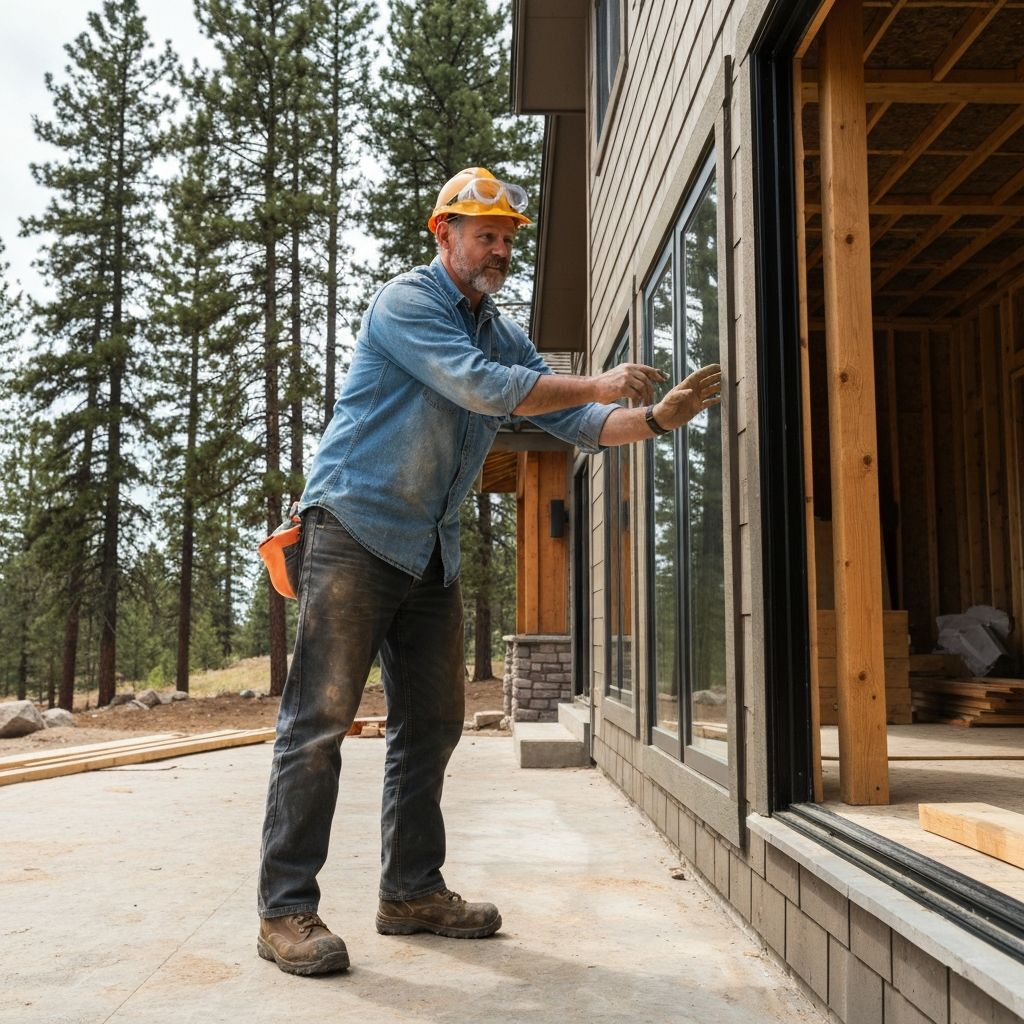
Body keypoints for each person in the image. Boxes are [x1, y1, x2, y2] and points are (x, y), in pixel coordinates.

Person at [256, 166, 722, 976]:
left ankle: (410, 893)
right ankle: (285, 911)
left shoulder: (497, 326)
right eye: (486, 234)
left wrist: (652, 416)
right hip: (354, 532)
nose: (501, 249)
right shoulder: (407, 303)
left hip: (429, 551)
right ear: (444, 235)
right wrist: (600, 378)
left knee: (433, 725)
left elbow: (574, 415)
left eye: (509, 238)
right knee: (318, 725)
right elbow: (484, 389)